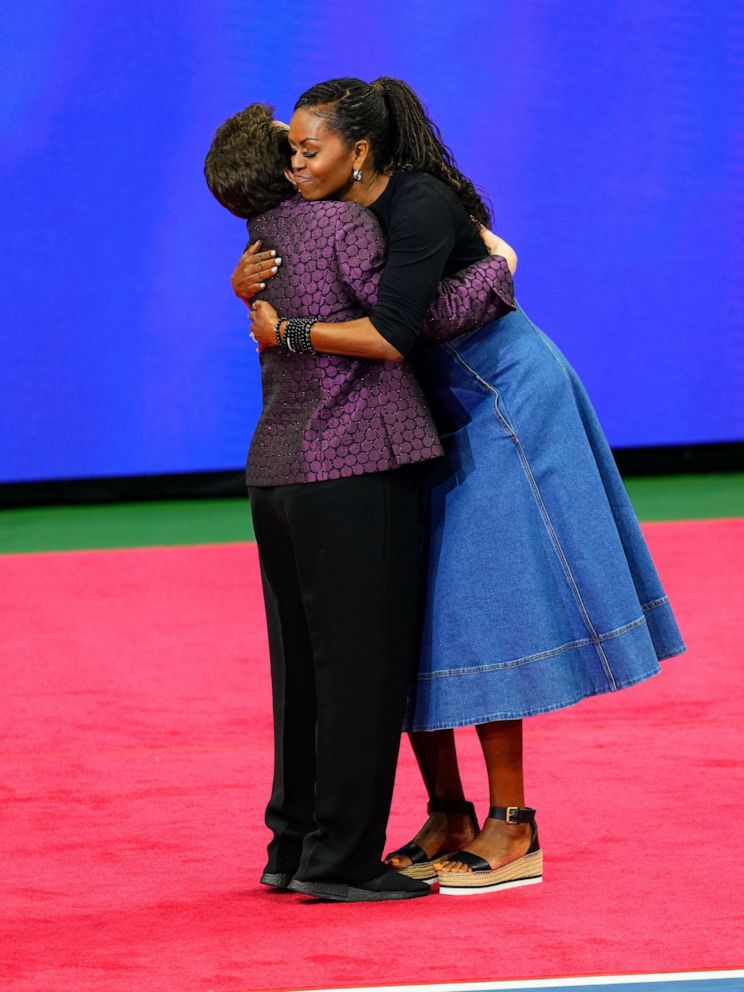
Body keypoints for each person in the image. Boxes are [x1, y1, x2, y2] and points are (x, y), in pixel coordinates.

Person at [245, 77, 686, 896]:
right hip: (421, 413)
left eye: (310, 149)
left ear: (361, 151)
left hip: (500, 401)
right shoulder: (334, 212)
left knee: (477, 608)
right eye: (293, 150)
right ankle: (446, 812)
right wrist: (249, 283)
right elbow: (261, 191)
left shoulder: (415, 204)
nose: (295, 163)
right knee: (408, 616)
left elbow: (395, 332)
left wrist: (293, 329)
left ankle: (512, 827)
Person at [204, 103, 515, 902]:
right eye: (296, 149)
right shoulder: (340, 227)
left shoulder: (260, 245)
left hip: (276, 473)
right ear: (284, 169)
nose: (307, 158)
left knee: (303, 671)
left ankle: (291, 846)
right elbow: (404, 323)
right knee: (362, 677)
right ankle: (343, 861)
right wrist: (495, 268)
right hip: (353, 472)